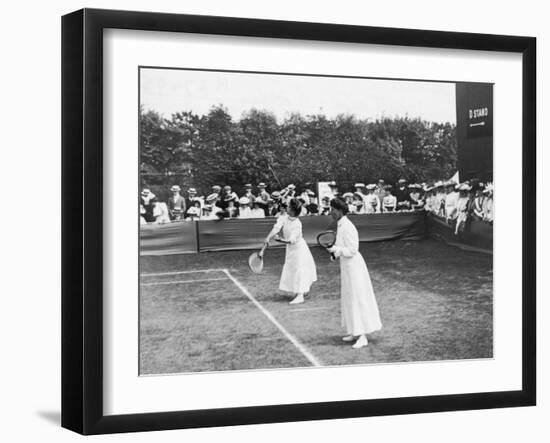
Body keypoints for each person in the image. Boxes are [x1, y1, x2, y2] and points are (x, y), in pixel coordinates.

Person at [326, 197, 382, 349]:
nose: (331, 212)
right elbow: (340, 247)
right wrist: (334, 252)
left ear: (339, 211)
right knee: (349, 298)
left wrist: (337, 250)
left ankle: (363, 336)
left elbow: (352, 249)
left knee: (358, 299)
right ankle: (354, 331)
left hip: (355, 268)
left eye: (333, 209)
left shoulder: (348, 226)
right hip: (347, 267)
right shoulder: (340, 225)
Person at [264, 198, 317, 305]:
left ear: (292, 210)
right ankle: (301, 290)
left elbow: (292, 240)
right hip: (291, 250)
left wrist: (280, 240)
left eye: (288, 206)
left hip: (299, 250)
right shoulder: (283, 217)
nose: (286, 207)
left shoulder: (297, 224)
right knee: (292, 269)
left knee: (300, 270)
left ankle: (300, 295)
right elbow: (276, 228)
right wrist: (268, 238)